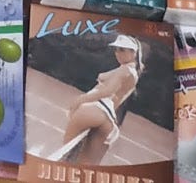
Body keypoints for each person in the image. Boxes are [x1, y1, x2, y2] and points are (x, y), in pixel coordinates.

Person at [52, 33, 146, 165]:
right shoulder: (131, 72)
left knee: (65, 155)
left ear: (133, 53)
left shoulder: (125, 70)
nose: (117, 53)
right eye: (116, 49)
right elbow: (115, 98)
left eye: (122, 50)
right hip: (108, 119)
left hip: (94, 109)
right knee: (85, 166)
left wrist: (80, 99)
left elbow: (107, 91)